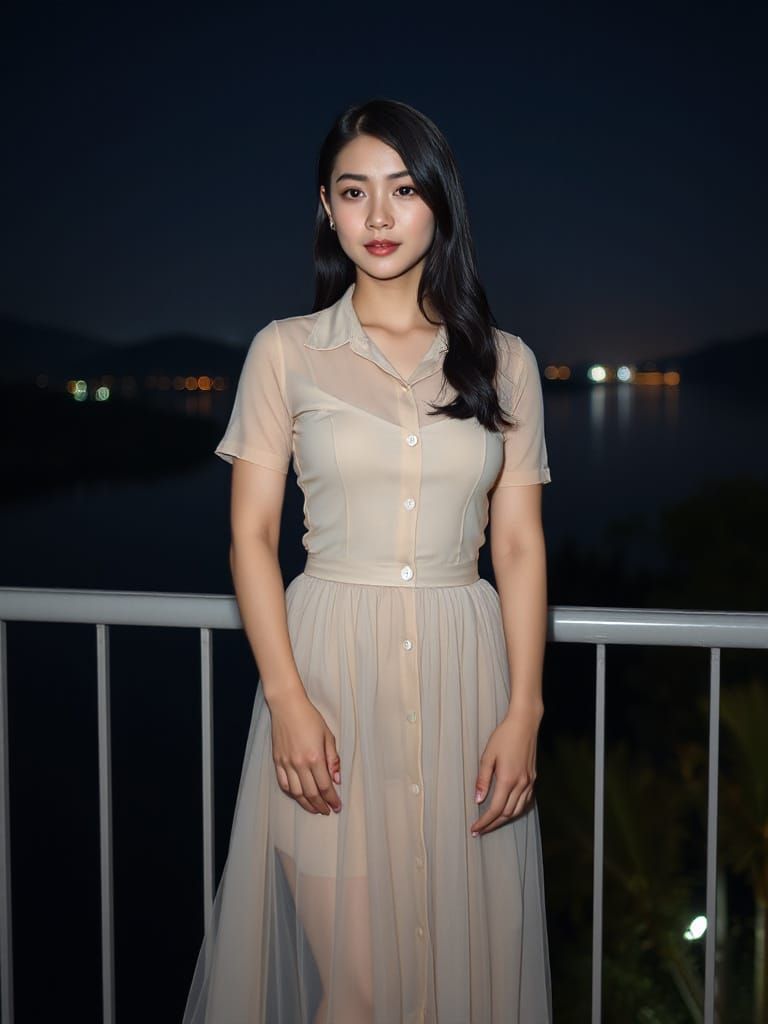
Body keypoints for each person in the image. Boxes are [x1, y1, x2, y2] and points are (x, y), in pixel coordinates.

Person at [182, 97, 553, 1024]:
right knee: (357, 991)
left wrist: (523, 710)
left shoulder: (505, 364)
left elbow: (516, 543)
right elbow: (251, 539)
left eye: (403, 191)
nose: (379, 219)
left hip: (466, 684)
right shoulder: (287, 352)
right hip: (328, 682)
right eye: (355, 194)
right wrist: (288, 701)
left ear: (440, 205)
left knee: (447, 987)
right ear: (326, 206)